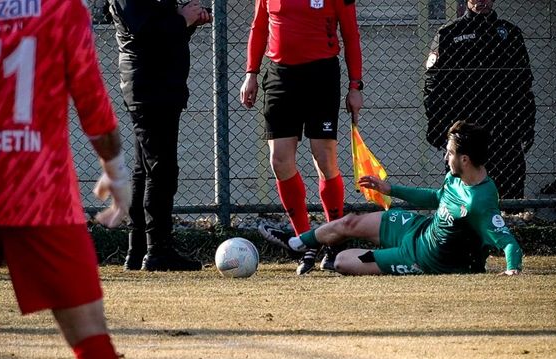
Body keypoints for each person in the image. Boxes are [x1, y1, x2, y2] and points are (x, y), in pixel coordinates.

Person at [0, 0, 130, 359]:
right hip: (41, 195)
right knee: (88, 331)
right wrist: (115, 171)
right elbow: (93, 104)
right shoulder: (59, 9)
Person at [264, 121, 523, 276]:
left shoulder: (480, 201)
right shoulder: (456, 178)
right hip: (417, 229)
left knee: (342, 262)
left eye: (449, 153)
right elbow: (436, 198)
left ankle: (341, 253)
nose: (446, 158)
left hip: (420, 259)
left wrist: (512, 270)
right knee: (351, 222)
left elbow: (509, 244)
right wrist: (390, 189)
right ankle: (297, 242)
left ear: (464, 159)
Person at [240, 0, 364, 275]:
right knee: (279, 161)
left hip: (321, 75)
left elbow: (351, 33)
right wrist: (251, 72)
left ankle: (335, 240)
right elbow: (259, 27)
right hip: (280, 77)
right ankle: (305, 241)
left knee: (324, 159)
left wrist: (355, 85)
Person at [109, 0, 212, 271]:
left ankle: (138, 249)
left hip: (159, 84)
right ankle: (158, 250)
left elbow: (162, 35)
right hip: (150, 87)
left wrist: (188, 22)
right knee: (161, 169)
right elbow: (144, 31)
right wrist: (181, 20)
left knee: (145, 169)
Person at [423, 0, 536, 200]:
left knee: (509, 196)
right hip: (465, 130)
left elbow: (524, 85)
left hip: (504, 129)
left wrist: (527, 125)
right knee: (464, 198)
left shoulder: (510, 34)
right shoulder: (450, 34)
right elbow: (433, 86)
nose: (482, 0)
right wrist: (438, 127)